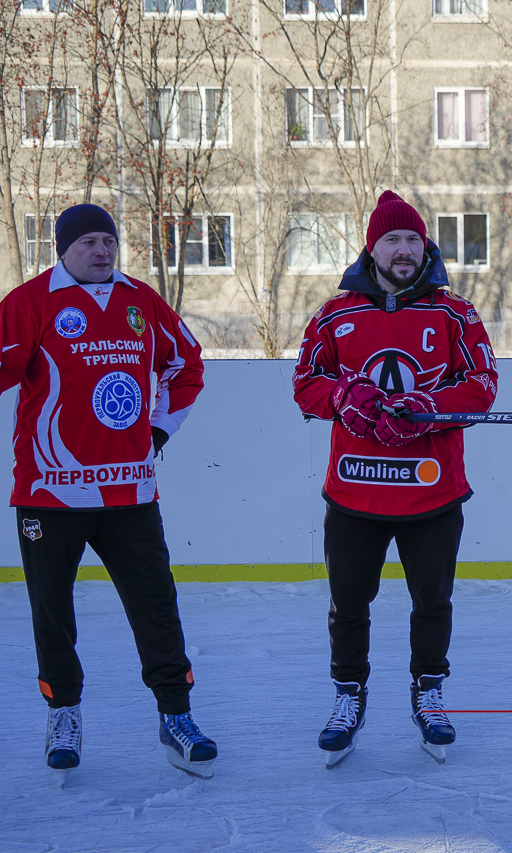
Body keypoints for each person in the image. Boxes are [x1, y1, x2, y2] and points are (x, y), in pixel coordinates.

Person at [0, 203, 215, 778]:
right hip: (50, 494)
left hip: (129, 496)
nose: (101, 251)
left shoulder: (141, 301)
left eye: (108, 241)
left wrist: (160, 428)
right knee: (52, 613)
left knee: (156, 607)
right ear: (62, 248)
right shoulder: (30, 302)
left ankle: (176, 714)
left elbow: (187, 364)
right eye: (88, 242)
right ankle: (63, 713)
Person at [293, 191, 497, 767]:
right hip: (355, 495)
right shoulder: (335, 315)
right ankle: (348, 696)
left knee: (433, 602)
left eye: (412, 239)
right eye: (392, 240)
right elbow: (305, 384)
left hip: (433, 495)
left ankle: (428, 692)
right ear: (371, 247)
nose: (403, 250)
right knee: (348, 604)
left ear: (425, 245)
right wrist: (342, 394)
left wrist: (423, 408)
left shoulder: (456, 313)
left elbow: (482, 387)